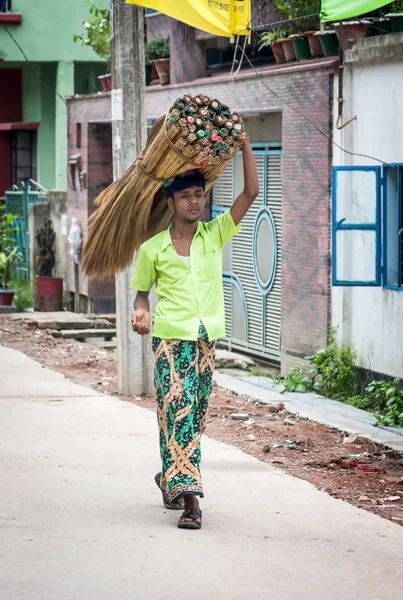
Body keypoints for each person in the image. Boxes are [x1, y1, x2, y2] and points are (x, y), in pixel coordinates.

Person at [131, 137, 259, 530]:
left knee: (195, 416)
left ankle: (171, 476)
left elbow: (252, 192)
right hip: (170, 342)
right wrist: (141, 312)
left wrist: (245, 143)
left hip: (205, 341)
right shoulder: (153, 249)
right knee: (179, 413)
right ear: (171, 202)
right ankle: (191, 502)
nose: (193, 201)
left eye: (198, 195)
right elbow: (141, 296)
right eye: (185, 195)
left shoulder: (214, 234)